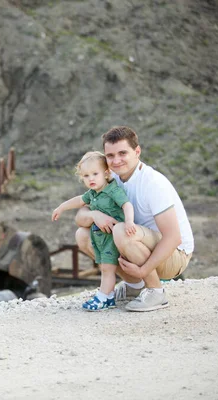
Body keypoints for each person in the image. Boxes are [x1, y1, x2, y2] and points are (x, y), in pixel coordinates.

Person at [75, 126, 194, 312]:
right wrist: (94, 214)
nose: (116, 160)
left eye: (123, 153)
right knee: (83, 235)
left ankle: (155, 292)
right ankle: (135, 287)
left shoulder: (153, 183)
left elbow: (173, 238)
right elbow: (80, 217)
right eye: (110, 156)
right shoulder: (110, 178)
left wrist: (143, 270)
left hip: (175, 254)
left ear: (137, 152)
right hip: (138, 244)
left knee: (121, 231)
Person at [52, 151, 136, 311]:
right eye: (86, 176)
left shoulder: (112, 190)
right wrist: (61, 207)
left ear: (106, 174)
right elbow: (78, 200)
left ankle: (105, 296)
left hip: (112, 238)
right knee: (104, 267)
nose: (90, 179)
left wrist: (129, 221)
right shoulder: (92, 194)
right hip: (101, 238)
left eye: (95, 174)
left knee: (107, 269)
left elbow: (127, 205)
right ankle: (108, 296)